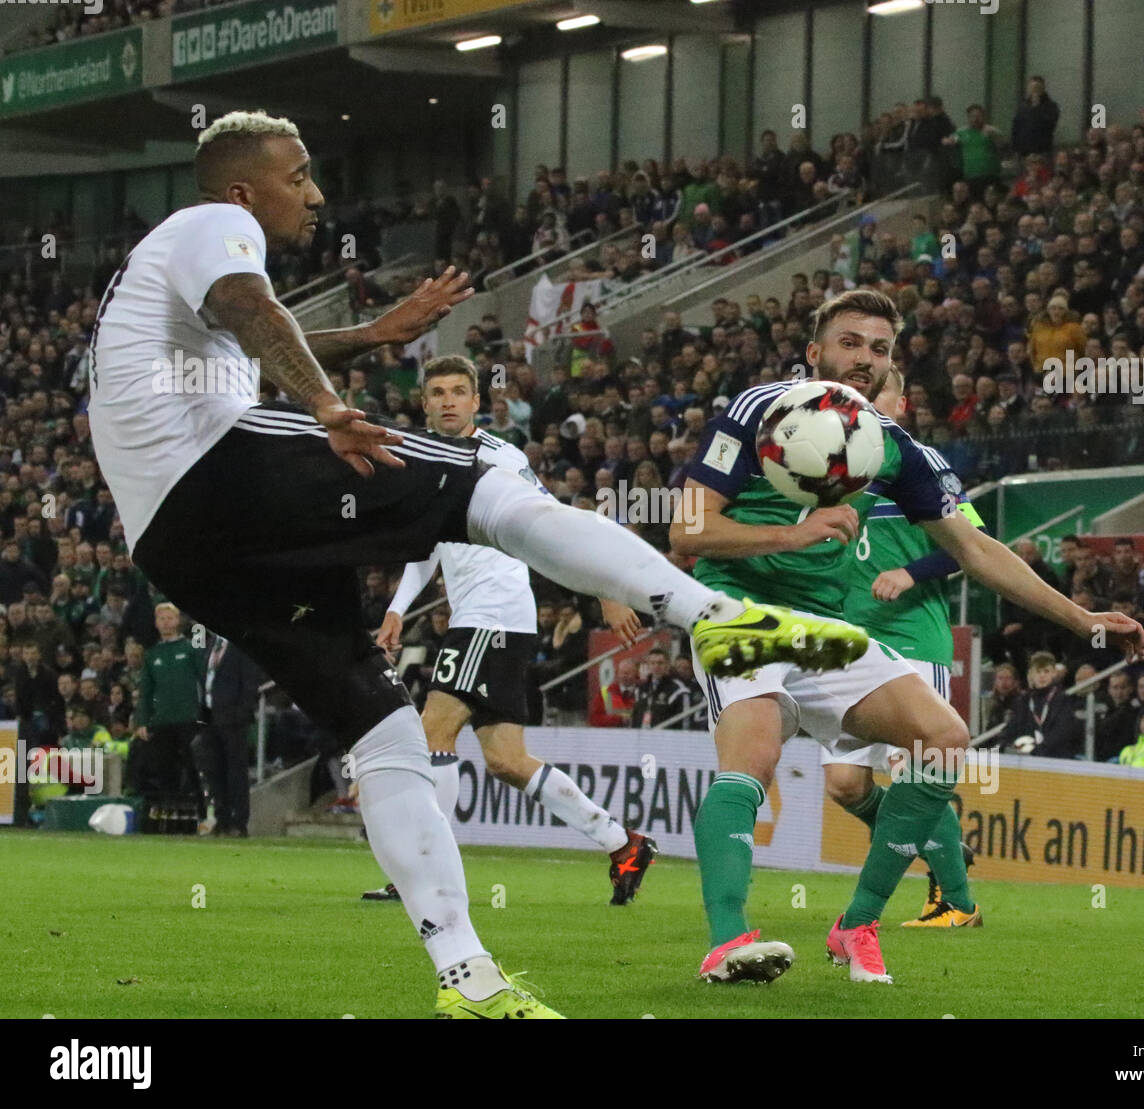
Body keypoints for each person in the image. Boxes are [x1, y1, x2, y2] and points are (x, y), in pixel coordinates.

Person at [86, 111, 868, 1019]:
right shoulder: (209, 231)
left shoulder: (164, 275)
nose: (315, 194)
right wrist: (332, 408)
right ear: (241, 191)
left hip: (179, 540)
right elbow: (248, 312)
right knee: (493, 487)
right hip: (219, 472)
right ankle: (714, 617)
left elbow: (239, 345)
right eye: (298, 176)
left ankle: (468, 978)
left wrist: (375, 334)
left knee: (384, 730)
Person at [670, 288, 1144, 986]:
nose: (864, 359)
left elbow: (978, 550)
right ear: (815, 353)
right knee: (755, 753)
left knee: (944, 737)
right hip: (739, 607)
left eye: (880, 348)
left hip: (827, 627)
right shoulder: (756, 410)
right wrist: (791, 533)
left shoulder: (892, 447)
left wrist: (1082, 618)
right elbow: (686, 529)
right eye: (851, 343)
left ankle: (857, 923)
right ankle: (728, 941)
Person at [371, 356, 656, 907]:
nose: (449, 400)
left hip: (491, 617)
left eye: (460, 391)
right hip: (489, 620)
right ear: (424, 403)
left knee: (432, 733)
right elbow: (425, 548)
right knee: (505, 759)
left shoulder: (498, 458)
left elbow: (553, 527)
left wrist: (603, 590)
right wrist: (397, 608)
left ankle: (427, 872)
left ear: (477, 402)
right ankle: (624, 843)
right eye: (438, 392)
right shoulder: (424, 463)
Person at [817, 366, 979, 928]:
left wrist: (910, 573)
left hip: (910, 639)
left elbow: (971, 546)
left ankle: (958, 900)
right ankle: (941, 848)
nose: (863, 404)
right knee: (845, 784)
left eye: (876, 394)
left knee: (917, 767)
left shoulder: (922, 463)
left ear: (901, 404)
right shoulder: (830, 472)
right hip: (847, 645)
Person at [131, 603, 204, 819]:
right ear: (156, 622)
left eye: (169, 618)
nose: (165, 622)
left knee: (192, 769)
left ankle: (201, 813)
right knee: (165, 770)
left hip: (189, 719)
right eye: (161, 618)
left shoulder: (191, 649)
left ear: (178, 620)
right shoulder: (152, 655)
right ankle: (168, 814)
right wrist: (142, 721)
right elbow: (145, 691)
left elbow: (203, 679)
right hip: (162, 721)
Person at [192, 633, 265, 837]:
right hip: (210, 718)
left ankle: (239, 821)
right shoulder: (210, 646)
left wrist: (241, 713)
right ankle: (222, 819)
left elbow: (250, 683)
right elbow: (205, 680)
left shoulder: (242, 647)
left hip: (232, 720)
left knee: (236, 772)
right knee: (214, 771)